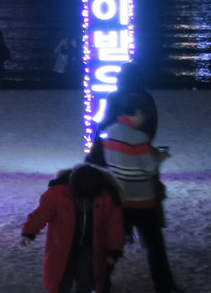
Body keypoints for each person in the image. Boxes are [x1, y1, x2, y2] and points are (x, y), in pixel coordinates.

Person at [100, 93, 178, 292]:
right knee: (155, 247)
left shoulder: (109, 132)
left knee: (113, 245)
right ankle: (164, 287)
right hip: (143, 200)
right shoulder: (140, 138)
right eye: (144, 114)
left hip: (120, 198)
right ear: (137, 112)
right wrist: (160, 157)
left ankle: (100, 283)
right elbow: (148, 169)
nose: (145, 118)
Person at [21, 163, 126, 293]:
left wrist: (114, 250)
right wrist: (29, 231)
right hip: (63, 244)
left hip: (90, 247)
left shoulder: (109, 197)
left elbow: (114, 225)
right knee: (61, 277)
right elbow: (42, 213)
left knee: (86, 279)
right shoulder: (57, 193)